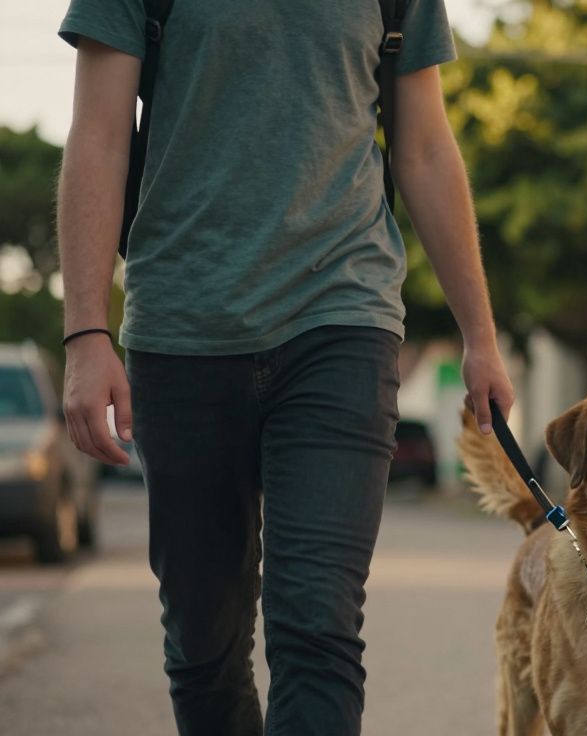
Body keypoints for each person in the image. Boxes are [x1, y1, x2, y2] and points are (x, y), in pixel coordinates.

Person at [55, 1, 513, 734]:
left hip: (343, 321)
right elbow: (100, 136)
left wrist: (480, 336)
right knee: (204, 644)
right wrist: (85, 332)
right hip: (183, 331)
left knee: (318, 626)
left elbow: (423, 147)